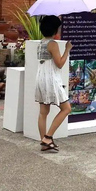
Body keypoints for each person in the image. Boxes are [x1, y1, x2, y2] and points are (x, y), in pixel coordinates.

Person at [35, 16, 72, 152]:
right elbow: (60, 63)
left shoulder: (41, 43)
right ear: (55, 29)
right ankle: (48, 137)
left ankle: (44, 141)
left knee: (43, 112)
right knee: (66, 108)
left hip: (41, 77)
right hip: (50, 78)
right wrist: (67, 49)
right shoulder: (52, 44)